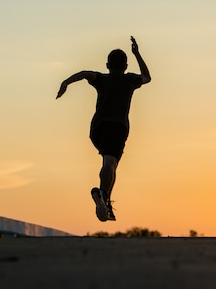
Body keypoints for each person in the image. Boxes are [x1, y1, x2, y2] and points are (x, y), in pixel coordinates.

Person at [56, 36, 151, 222]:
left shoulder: (101, 79)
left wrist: (65, 82)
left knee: (109, 163)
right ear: (125, 66)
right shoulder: (130, 80)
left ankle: (105, 202)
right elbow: (147, 77)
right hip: (118, 128)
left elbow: (84, 73)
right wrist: (137, 53)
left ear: (108, 64)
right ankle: (103, 196)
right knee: (110, 163)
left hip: (97, 129)